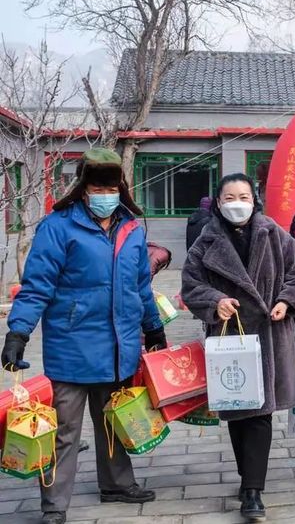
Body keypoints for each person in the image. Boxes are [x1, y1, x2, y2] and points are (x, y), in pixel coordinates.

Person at [1, 148, 166, 524]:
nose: (105, 194)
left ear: (121, 189)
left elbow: (141, 286)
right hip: (72, 347)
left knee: (114, 421)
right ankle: (54, 504)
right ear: (83, 188)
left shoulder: (131, 229)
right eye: (97, 188)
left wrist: (153, 328)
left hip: (119, 346)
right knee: (64, 431)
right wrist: (18, 333)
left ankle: (117, 485)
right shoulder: (58, 227)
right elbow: (37, 285)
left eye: (111, 188)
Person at [181, 173, 295, 521]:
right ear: (218, 202)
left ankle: (253, 491)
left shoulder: (274, 234)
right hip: (228, 336)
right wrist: (215, 301)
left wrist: (286, 301)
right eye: (229, 198)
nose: (237, 204)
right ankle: (246, 476)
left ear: (254, 201)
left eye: (244, 197)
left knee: (259, 414)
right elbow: (190, 285)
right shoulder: (206, 241)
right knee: (237, 411)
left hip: (268, 333)